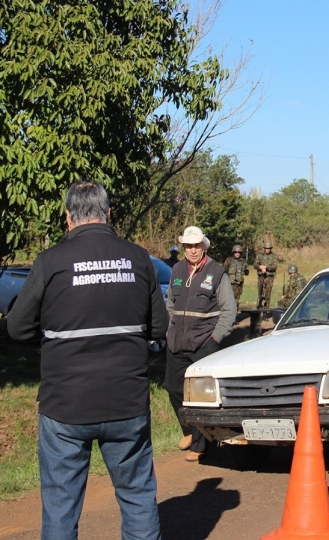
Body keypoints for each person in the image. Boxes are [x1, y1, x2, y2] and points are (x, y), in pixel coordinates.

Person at [3, 180, 168, 540]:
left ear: (68, 218)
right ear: (108, 214)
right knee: (138, 498)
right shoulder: (138, 259)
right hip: (127, 403)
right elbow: (159, 326)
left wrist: (50, 342)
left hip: (66, 407)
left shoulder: (50, 262)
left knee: (61, 507)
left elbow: (17, 328)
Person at [165, 226, 236, 462]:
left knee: (198, 395)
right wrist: (169, 330)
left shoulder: (216, 272)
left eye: (196, 245)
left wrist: (214, 339)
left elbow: (229, 310)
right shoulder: (176, 269)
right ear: (183, 247)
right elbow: (170, 304)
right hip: (177, 342)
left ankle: (199, 443)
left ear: (203, 246)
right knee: (172, 387)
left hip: (203, 343)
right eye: (188, 246)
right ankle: (187, 430)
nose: (192, 250)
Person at [222, 244, 249, 310]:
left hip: (239, 285)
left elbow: (246, 272)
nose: (237, 254)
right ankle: (229, 315)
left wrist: (246, 270)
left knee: (237, 300)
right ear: (233, 252)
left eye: (239, 252)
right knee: (230, 300)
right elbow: (223, 270)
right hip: (231, 284)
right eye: (236, 252)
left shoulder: (243, 262)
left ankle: (235, 316)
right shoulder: (229, 260)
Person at [255, 239, 277, 308]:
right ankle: (259, 308)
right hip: (261, 277)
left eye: (269, 248)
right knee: (260, 294)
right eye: (266, 248)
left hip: (269, 278)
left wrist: (266, 267)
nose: (267, 250)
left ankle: (266, 310)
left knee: (268, 295)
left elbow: (275, 267)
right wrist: (260, 267)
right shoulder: (259, 256)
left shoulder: (274, 257)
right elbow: (255, 265)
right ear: (264, 248)